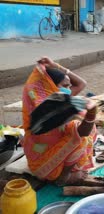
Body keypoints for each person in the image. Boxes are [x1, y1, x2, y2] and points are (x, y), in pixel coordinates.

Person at [22, 57, 98, 185]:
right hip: (42, 163)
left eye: (69, 86)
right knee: (81, 137)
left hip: (52, 152)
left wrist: (57, 66)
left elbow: (81, 84)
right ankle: (63, 177)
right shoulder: (45, 108)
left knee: (86, 127)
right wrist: (91, 113)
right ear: (51, 85)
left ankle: (68, 166)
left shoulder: (58, 99)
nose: (69, 89)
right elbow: (82, 133)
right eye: (65, 86)